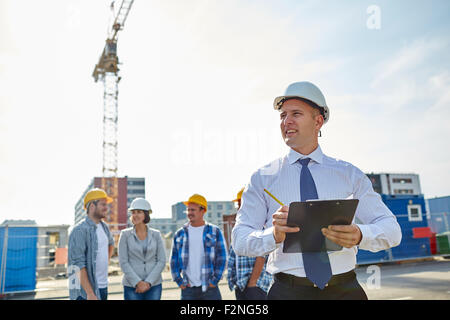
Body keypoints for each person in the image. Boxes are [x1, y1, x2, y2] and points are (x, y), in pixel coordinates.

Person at [232, 81, 402, 300]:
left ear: (318, 121)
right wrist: (273, 234)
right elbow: (239, 240)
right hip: (287, 293)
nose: (287, 121)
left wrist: (360, 234)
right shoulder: (262, 178)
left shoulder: (350, 175)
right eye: (283, 115)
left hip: (345, 291)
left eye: (296, 114)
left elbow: (392, 230)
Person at [170, 194, 227, 300]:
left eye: (193, 210)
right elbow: (173, 260)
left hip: (210, 289)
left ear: (203, 210)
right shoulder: (180, 234)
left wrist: (214, 281)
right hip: (188, 289)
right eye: (188, 210)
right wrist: (179, 281)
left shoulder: (215, 231)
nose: (189, 213)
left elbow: (222, 258)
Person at [68, 188, 115, 300]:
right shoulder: (79, 230)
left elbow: (111, 244)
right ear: (92, 206)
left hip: (102, 286)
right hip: (85, 293)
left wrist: (105, 262)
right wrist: (90, 293)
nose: (106, 208)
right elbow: (77, 264)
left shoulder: (105, 227)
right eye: (103, 204)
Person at [227, 187, 272, 300]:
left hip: (256, 286)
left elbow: (261, 255)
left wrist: (252, 282)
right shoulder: (239, 228)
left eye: (240, 203)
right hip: (241, 286)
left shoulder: (259, 225)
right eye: (237, 204)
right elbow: (233, 255)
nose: (239, 207)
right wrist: (233, 280)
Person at [118, 198, 166, 300]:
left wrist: (148, 282)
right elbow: (123, 262)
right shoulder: (125, 235)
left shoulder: (156, 234)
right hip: (132, 286)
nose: (135, 215)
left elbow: (161, 261)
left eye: (139, 212)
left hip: (154, 285)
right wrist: (138, 282)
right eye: (133, 212)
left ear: (146, 214)